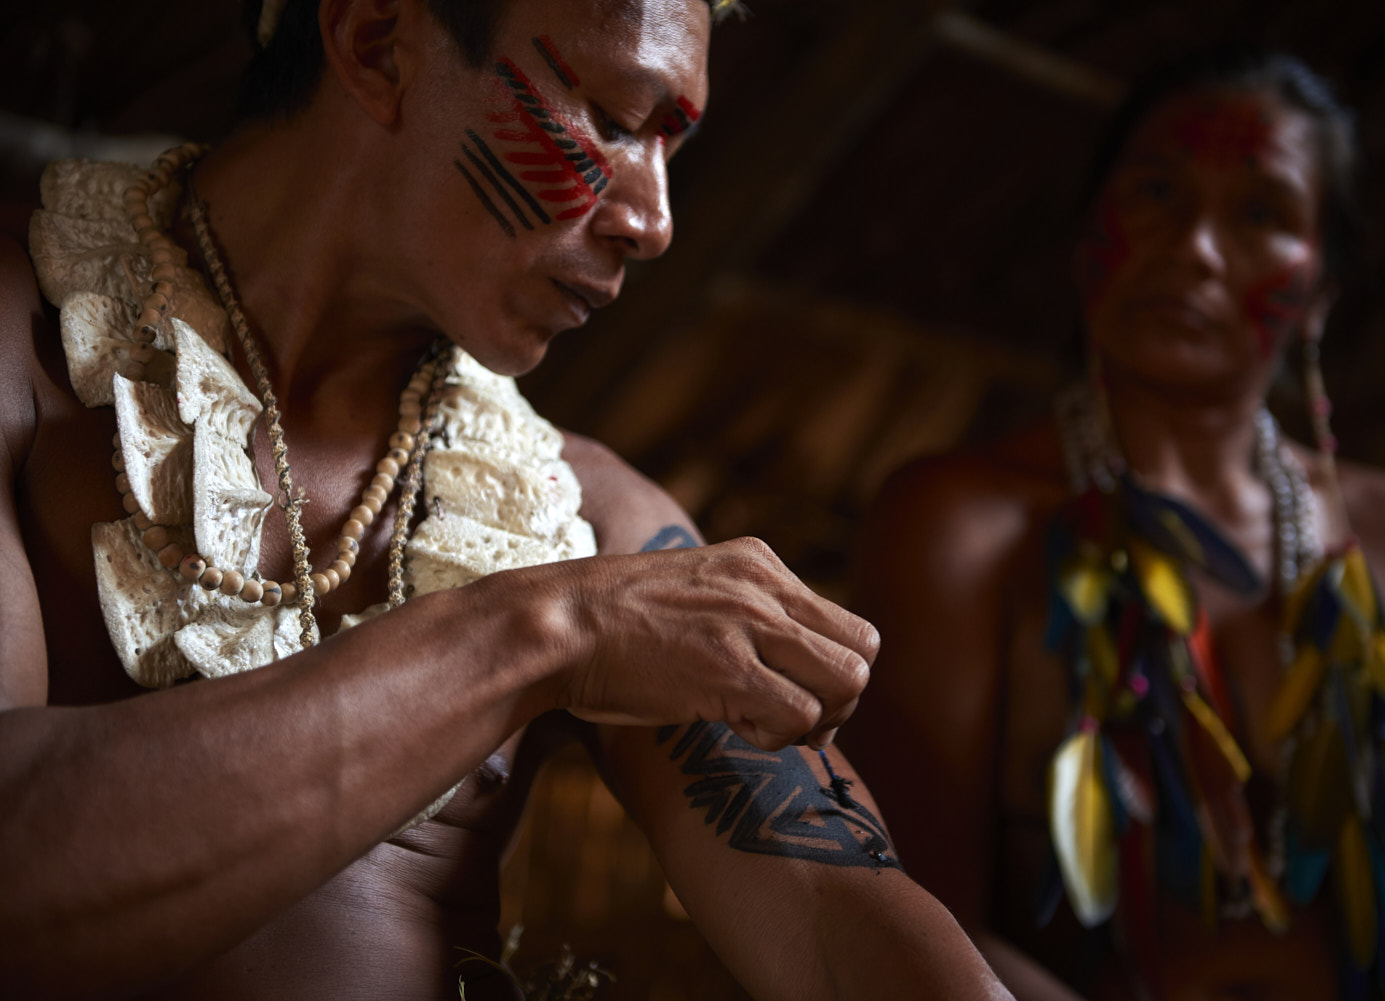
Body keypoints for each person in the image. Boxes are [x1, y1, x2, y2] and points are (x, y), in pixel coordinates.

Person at [0, 1, 1013, 998]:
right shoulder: (29, 352)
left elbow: (841, 922)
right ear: (378, 43)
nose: (654, 221)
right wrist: (542, 630)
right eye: (613, 120)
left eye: (668, 145)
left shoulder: (585, 520)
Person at [846, 46, 1385, 1001]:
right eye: (1156, 192)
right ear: (1088, 239)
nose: (1193, 246)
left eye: (1261, 213)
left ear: (1320, 293)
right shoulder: (959, 528)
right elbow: (903, 914)